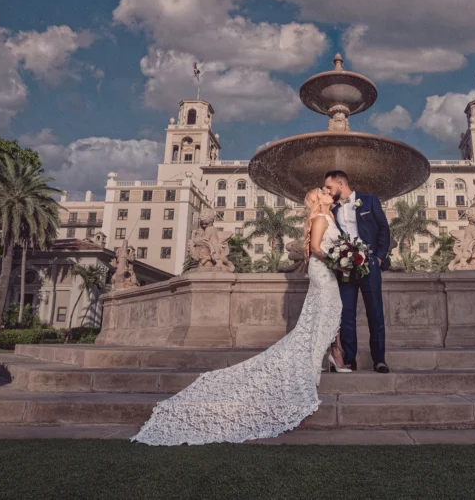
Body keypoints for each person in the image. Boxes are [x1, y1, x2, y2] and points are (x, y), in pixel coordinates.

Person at [132, 188, 346, 445]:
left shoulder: (330, 217)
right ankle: (316, 366)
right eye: (322, 192)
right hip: (323, 271)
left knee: (327, 315)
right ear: (317, 201)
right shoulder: (321, 219)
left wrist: (345, 257)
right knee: (321, 315)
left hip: (327, 271)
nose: (326, 192)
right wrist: (339, 260)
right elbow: (314, 248)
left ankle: (329, 358)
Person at [324, 171, 391, 374]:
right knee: (346, 314)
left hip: (369, 263)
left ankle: (379, 359)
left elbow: (384, 230)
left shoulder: (369, 201)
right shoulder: (333, 210)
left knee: (375, 312)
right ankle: (349, 359)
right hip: (345, 266)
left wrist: (378, 257)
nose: (327, 191)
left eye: (329, 187)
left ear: (341, 184)